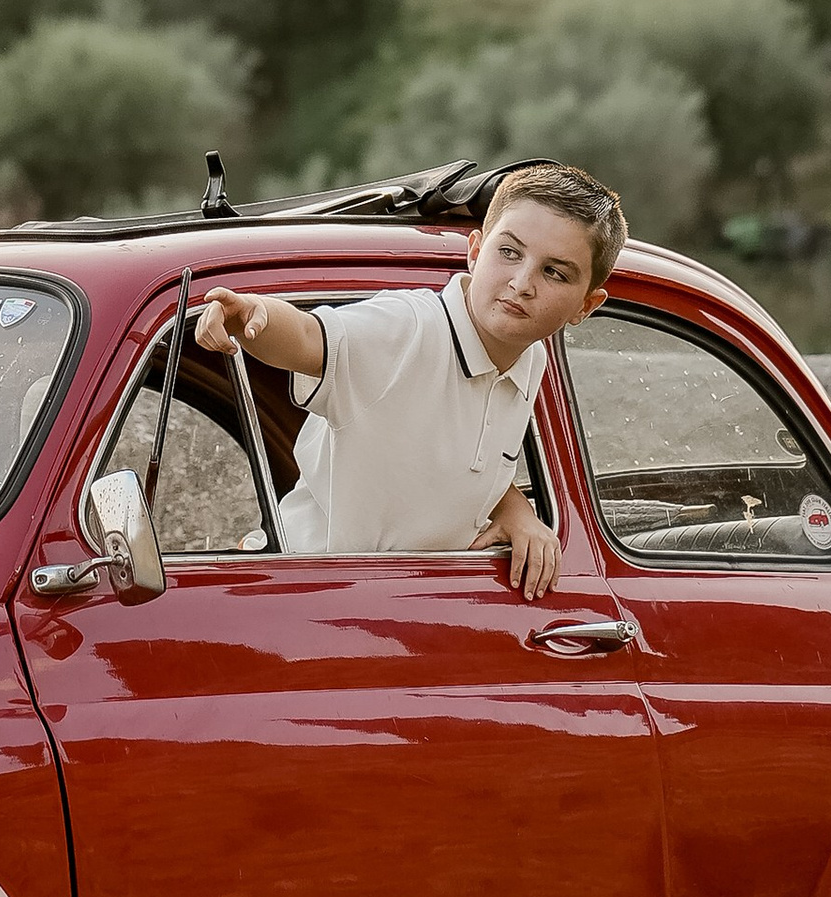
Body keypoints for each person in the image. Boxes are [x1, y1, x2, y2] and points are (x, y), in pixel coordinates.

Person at [192, 161, 624, 601]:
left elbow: (461, 455)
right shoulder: (406, 328)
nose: (522, 282)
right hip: (302, 591)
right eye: (509, 252)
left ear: (585, 306)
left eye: (554, 272)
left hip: (404, 602)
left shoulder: (529, 359)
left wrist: (515, 510)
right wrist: (252, 313)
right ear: (475, 252)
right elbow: (308, 337)